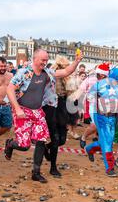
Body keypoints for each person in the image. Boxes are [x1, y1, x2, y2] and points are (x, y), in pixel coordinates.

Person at [5, 49, 82, 183]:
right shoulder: (25, 73)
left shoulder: (47, 73)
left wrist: (76, 61)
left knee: (41, 140)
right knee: (24, 145)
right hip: (23, 110)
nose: (45, 63)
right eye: (43, 60)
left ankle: (36, 172)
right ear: (35, 59)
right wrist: (17, 109)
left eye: (47, 60)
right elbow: (10, 89)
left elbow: (65, 72)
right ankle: (11, 144)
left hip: (38, 111)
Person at [85, 63, 118, 177]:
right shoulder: (98, 85)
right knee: (107, 143)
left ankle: (90, 149)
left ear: (101, 75)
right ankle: (109, 167)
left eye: (97, 74)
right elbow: (90, 98)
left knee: (107, 141)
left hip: (112, 116)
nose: (97, 76)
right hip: (101, 116)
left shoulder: (114, 85)